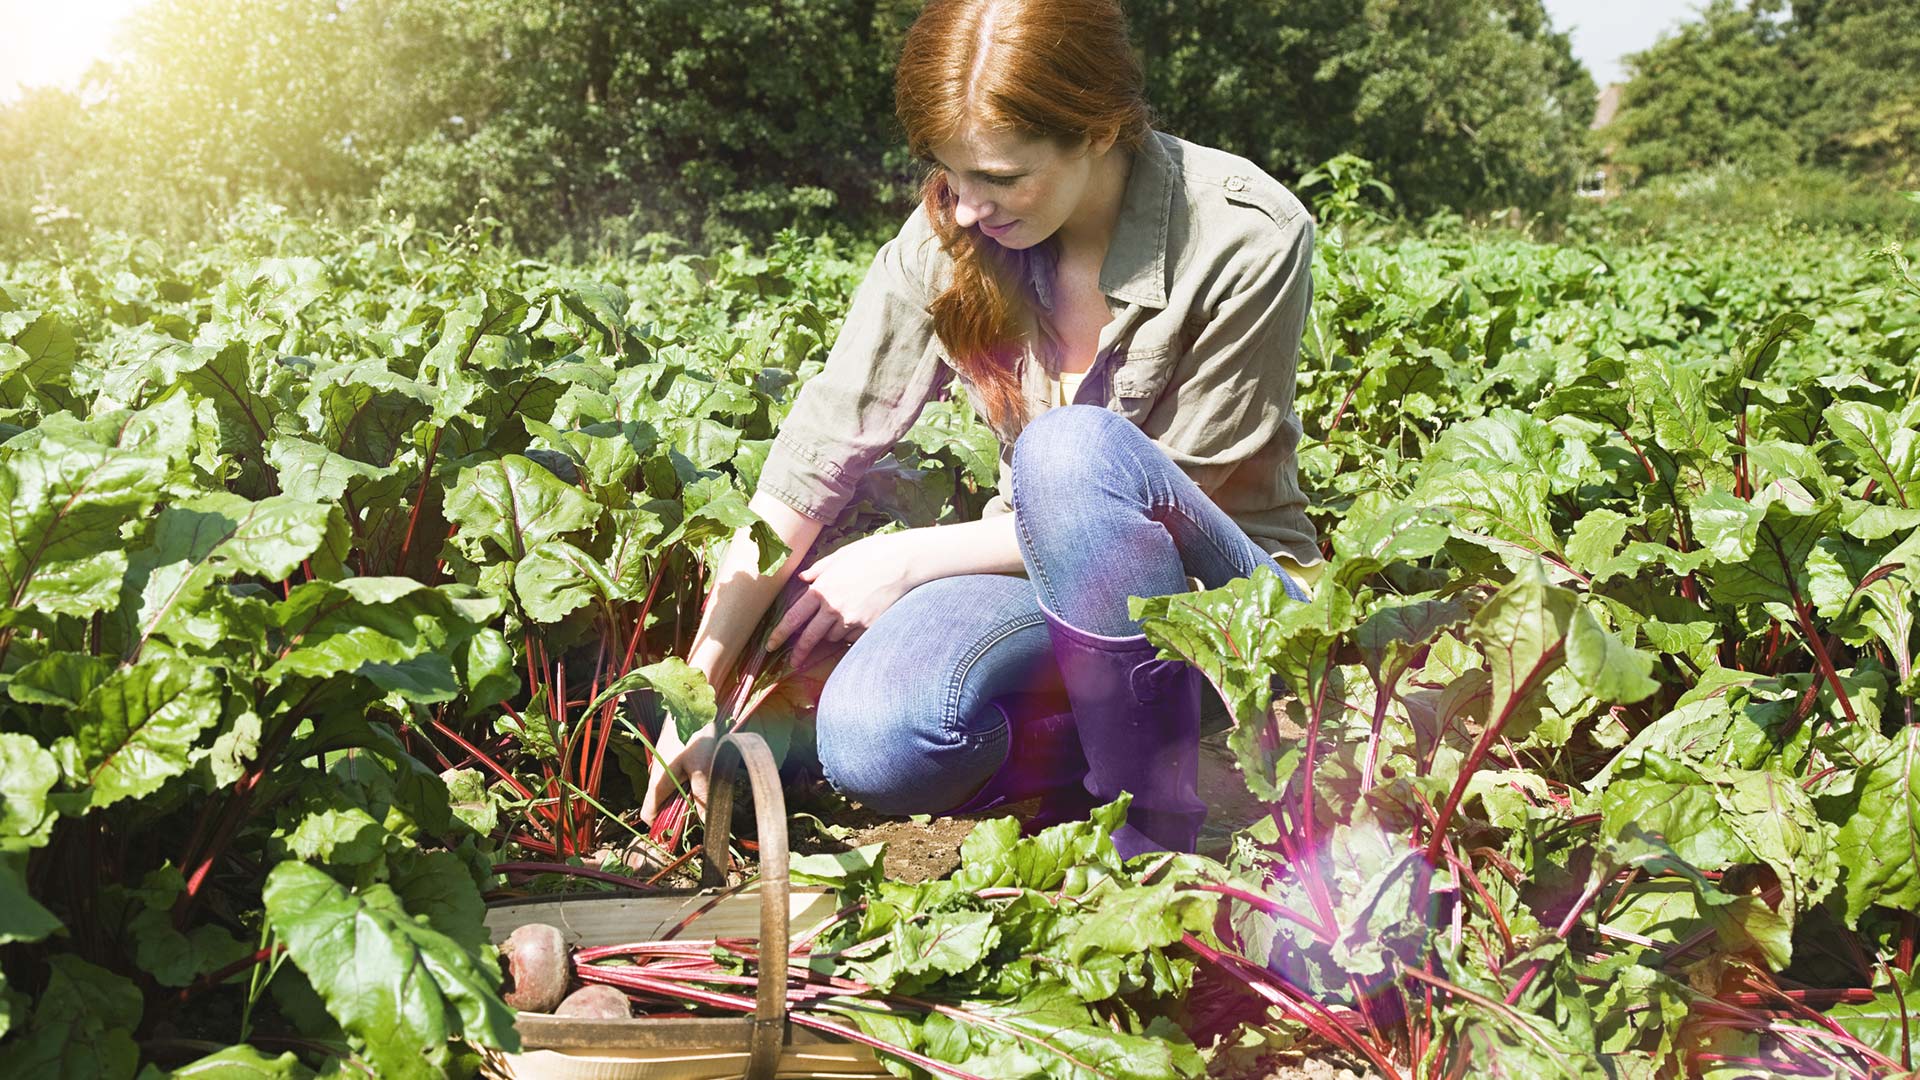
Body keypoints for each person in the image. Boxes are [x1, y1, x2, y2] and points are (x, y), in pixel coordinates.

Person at [639, 0, 1321, 859]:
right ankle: (1124, 747)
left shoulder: (1245, 234)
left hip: (1230, 604)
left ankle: (1156, 836)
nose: (964, 209)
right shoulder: (955, 231)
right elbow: (812, 458)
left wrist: (908, 557)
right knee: (876, 739)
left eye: (999, 178)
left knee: (1068, 450)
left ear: (1100, 130)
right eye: (950, 174)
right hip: (1042, 581)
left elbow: (1168, 507)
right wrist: (700, 687)